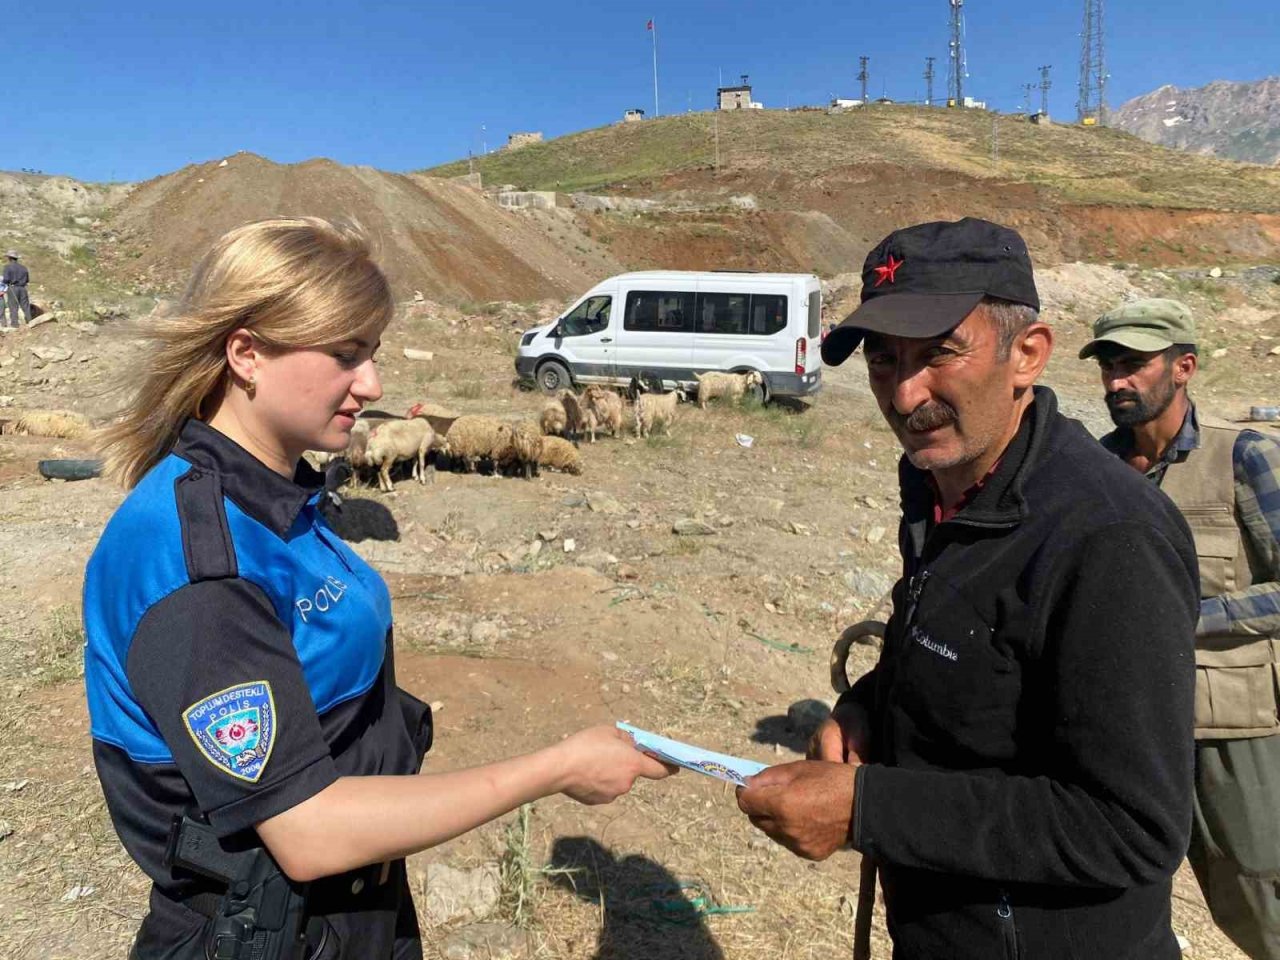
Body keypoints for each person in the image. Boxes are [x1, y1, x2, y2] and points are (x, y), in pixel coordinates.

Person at [82, 217, 673, 960]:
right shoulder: (202, 564)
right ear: (246, 355)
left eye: (373, 354)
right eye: (345, 356)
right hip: (261, 933)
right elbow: (306, 829)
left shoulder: (278, 497)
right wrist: (555, 769)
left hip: (340, 911)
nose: (373, 385)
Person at [736, 218, 1200, 959]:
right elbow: (968, 646)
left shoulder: (1110, 539)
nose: (904, 392)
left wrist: (867, 810)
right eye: (882, 360)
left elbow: (1130, 828)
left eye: (939, 353)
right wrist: (867, 708)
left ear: (1028, 355)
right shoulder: (934, 481)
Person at [1081, 298, 1280, 960]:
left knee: (1256, 893)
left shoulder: (1244, 456)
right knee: (1123, 898)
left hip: (1233, 727)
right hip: (1126, 728)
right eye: (1109, 366)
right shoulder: (1095, 470)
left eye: (1134, 365)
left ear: (1184, 366)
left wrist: (1183, 618)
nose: (1116, 382)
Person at [3, 249, 30, 327]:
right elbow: (27, 280)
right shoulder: (24, 268)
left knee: (13, 307)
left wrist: (5, 281)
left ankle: (15, 325)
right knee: (26, 306)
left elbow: (6, 279)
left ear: (10, 258)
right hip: (23, 289)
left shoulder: (7, 267)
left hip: (13, 288)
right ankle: (30, 322)